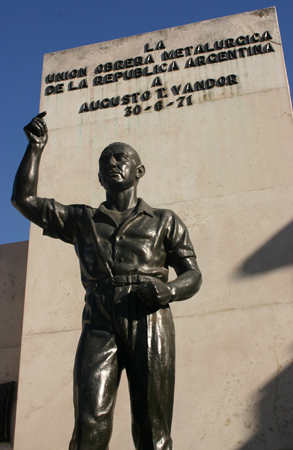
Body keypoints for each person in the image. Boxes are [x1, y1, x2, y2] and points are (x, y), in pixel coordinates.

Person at [12, 112, 202, 450]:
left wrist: (169, 289)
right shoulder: (81, 219)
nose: (113, 162)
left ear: (138, 171)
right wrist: (35, 149)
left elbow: (193, 275)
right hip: (100, 320)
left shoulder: (164, 221)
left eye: (121, 157)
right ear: (99, 177)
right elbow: (23, 200)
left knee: (152, 428)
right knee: (89, 425)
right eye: (106, 161)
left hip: (149, 316)